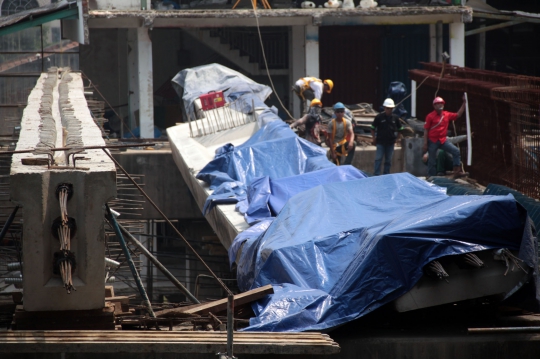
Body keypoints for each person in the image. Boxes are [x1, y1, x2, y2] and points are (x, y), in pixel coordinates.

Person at [423, 96, 467, 178]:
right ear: (434, 106)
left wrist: (464, 103)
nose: (440, 105)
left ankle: (456, 170)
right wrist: (425, 143)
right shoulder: (430, 116)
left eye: (441, 104)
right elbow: (426, 130)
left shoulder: (446, 114)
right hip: (433, 141)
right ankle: (431, 177)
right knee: (431, 161)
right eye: (437, 104)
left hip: (443, 140)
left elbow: (458, 115)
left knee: (456, 151)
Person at [370, 98, 404, 176]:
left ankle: (386, 174)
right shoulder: (379, 117)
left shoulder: (395, 118)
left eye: (391, 109)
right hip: (380, 142)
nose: (389, 110)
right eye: (388, 108)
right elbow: (372, 128)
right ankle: (376, 174)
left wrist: (398, 138)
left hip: (390, 143)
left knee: (388, 160)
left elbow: (400, 128)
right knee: (378, 159)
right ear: (384, 108)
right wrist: (374, 138)